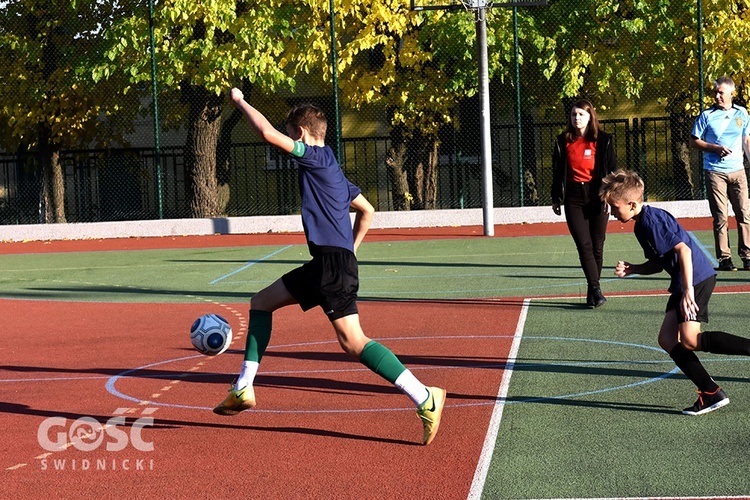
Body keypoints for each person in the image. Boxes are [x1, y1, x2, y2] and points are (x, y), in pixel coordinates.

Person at [213, 88, 446, 445]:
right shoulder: (333, 168)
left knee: (353, 342)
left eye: (292, 134)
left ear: (302, 134)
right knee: (261, 302)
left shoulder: (317, 159)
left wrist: (241, 102)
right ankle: (243, 386)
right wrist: (348, 252)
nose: (290, 140)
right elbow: (367, 211)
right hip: (328, 263)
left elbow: (266, 134)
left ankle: (424, 397)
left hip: (331, 265)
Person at [600, 169, 750, 415]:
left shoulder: (651, 222)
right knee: (667, 339)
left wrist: (688, 290)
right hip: (685, 281)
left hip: (696, 279)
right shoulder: (641, 226)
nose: (612, 212)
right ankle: (710, 391)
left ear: (632, 203)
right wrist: (634, 268)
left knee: (690, 340)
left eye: (614, 207)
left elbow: (684, 251)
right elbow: (660, 262)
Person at [551, 99, 618, 308]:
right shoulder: (563, 141)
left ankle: (592, 290)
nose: (577, 118)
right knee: (584, 245)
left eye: (581, 114)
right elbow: (556, 172)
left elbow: (613, 172)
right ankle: (596, 289)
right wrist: (556, 197)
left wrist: (611, 197)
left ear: (590, 117)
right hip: (573, 196)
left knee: (598, 246)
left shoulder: (603, 140)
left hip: (597, 195)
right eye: (573, 114)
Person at [690, 76, 750, 271]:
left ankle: (747, 256)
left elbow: (746, 140)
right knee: (721, 216)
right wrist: (714, 148)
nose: (717, 96)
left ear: (731, 93)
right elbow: (694, 141)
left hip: (738, 171)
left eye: (721, 92)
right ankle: (725, 258)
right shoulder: (706, 115)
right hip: (715, 172)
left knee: (744, 214)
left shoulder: (742, 113)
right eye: (715, 92)